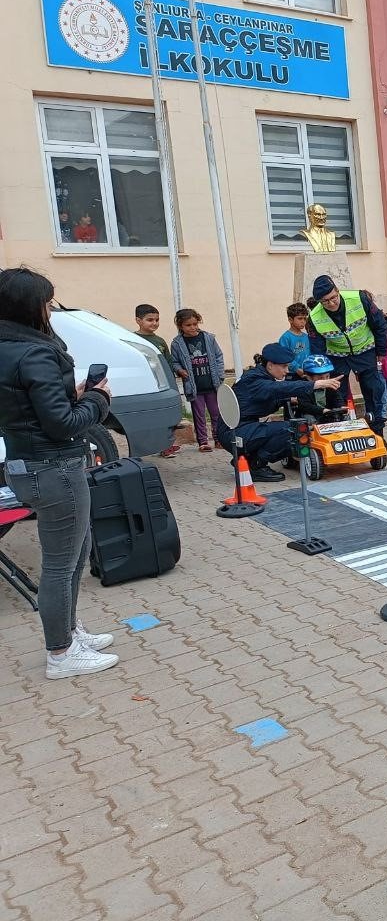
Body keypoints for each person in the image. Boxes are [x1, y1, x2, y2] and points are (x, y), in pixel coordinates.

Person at [0, 267, 119, 679]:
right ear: (31, 307)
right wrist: (99, 401)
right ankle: (61, 653)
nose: (51, 309)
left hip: (29, 465)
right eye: (47, 302)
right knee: (60, 564)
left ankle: (68, 630)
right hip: (53, 468)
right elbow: (63, 424)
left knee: (77, 550)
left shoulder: (10, 347)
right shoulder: (34, 352)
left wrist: (75, 392)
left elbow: (36, 407)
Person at [217, 343, 340, 480]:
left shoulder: (258, 376)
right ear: (270, 365)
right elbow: (279, 388)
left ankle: (246, 460)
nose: (287, 371)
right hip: (234, 433)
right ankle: (255, 466)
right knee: (293, 431)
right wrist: (316, 384)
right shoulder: (255, 380)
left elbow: (266, 397)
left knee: (287, 429)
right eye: (284, 366)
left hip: (240, 429)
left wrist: (287, 400)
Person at [308, 276, 387, 435]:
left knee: (374, 391)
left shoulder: (360, 298)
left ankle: (377, 433)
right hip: (337, 357)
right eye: (325, 301)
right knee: (338, 395)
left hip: (365, 350)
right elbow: (317, 349)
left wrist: (381, 351)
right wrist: (321, 373)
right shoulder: (314, 318)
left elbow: (379, 324)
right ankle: (341, 434)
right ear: (319, 301)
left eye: (333, 297)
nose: (331, 303)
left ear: (338, 291)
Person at [170, 308, 224, 454]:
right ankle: (203, 441)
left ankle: (219, 439)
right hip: (194, 386)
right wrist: (180, 370)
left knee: (216, 413)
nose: (193, 327)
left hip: (212, 383)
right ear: (180, 326)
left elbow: (218, 356)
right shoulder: (177, 343)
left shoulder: (208, 338)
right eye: (188, 325)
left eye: (195, 324)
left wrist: (220, 375)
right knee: (199, 414)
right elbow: (174, 361)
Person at [134, 303, 181, 457]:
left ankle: (166, 446)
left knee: (164, 416)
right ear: (138, 320)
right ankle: (141, 447)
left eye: (157, 320)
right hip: (144, 386)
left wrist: (172, 379)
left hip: (162, 385)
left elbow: (168, 362)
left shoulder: (160, 341)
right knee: (145, 417)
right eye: (150, 320)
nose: (154, 323)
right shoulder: (133, 340)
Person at [280, 303, 311, 378]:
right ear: (290, 319)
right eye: (300, 318)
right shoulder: (285, 338)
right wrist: (297, 369)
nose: (303, 321)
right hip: (291, 374)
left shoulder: (306, 337)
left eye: (305, 318)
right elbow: (285, 357)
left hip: (306, 373)